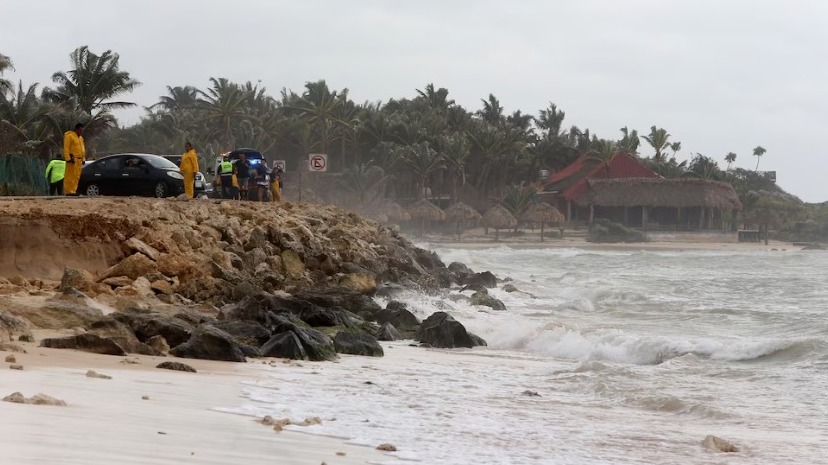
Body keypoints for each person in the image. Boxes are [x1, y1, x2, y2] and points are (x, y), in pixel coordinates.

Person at [62, 123, 85, 195]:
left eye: (82, 130)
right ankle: (69, 191)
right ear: (76, 129)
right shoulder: (69, 136)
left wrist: (83, 158)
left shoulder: (81, 138)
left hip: (79, 160)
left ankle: (74, 190)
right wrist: (68, 158)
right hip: (72, 159)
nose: (81, 132)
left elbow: (82, 149)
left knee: (76, 176)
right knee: (70, 176)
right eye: (80, 130)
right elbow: (66, 147)